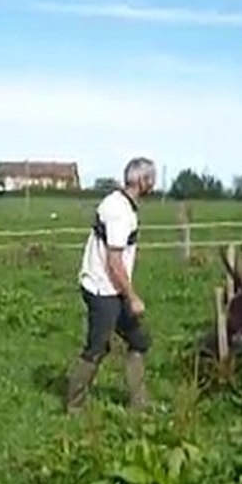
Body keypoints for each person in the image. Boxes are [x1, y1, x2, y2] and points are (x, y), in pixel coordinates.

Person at [65, 156, 157, 413]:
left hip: (112, 288)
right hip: (103, 290)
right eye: (152, 178)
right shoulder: (120, 212)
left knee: (139, 340)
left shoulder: (118, 203)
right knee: (97, 347)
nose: (154, 184)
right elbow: (114, 262)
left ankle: (140, 404)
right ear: (141, 180)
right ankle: (74, 406)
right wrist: (132, 297)